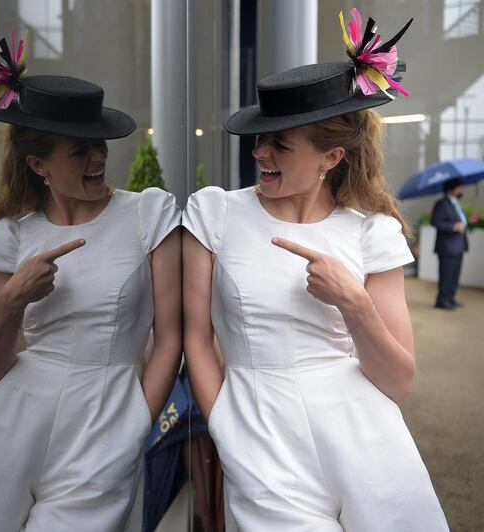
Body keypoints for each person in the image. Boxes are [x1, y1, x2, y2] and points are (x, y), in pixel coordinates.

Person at [182, 9, 448, 531]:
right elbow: (197, 337)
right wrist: (224, 425)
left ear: (331, 157)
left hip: (363, 430)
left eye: (280, 143)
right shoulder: (213, 213)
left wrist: (354, 303)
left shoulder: (373, 231)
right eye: (259, 138)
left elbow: (397, 381)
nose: (260, 152)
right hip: (258, 432)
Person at [0, 31, 182, 531]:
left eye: (99, 146)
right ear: (38, 164)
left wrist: (137, 421)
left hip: (106, 417)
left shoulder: (148, 215)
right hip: (14, 418)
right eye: (79, 151)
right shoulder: (10, 237)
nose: (98, 159)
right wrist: (12, 301)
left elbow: (171, 338)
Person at [431, 177, 468, 310]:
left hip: (458, 246)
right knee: (446, 275)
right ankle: (442, 300)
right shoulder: (442, 203)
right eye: (460, 187)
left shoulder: (455, 203)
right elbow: (435, 222)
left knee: (454, 275)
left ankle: (450, 298)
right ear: (452, 188)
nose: (462, 189)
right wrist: (453, 226)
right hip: (447, 247)